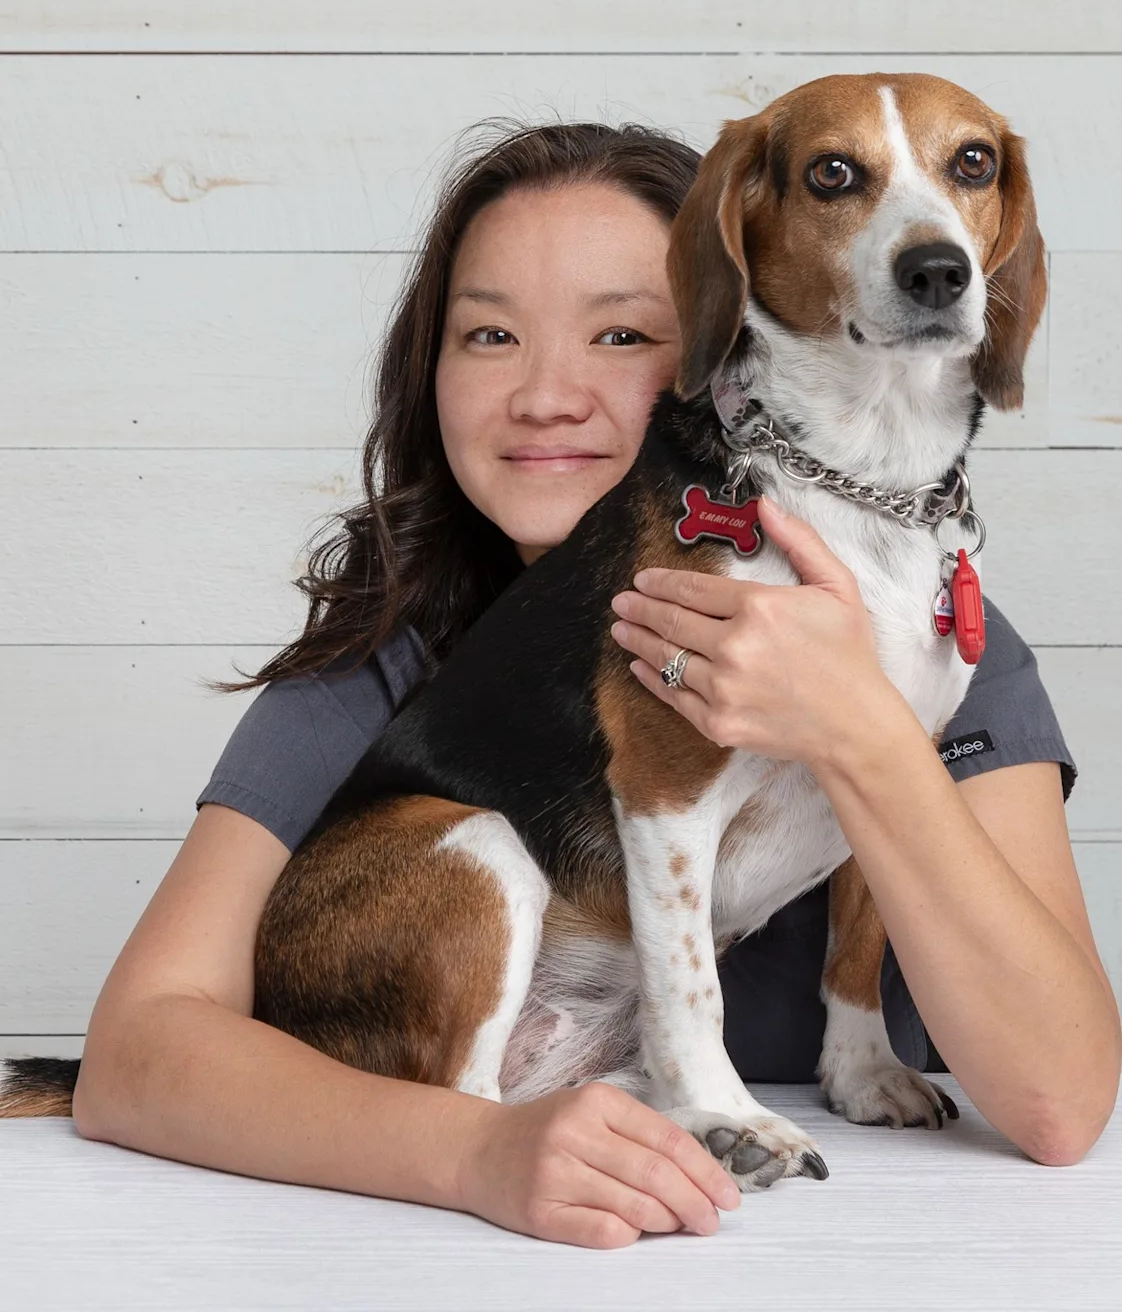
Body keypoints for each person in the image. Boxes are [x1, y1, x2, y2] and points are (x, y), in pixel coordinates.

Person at [65, 120, 1118, 1250]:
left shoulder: (954, 624)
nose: (547, 393)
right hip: (469, 1208)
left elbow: (1062, 1107)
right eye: (489, 334)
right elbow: (131, 1057)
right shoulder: (380, 654)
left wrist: (864, 726)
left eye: (622, 333)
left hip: (847, 1235)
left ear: (729, 328)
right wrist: (468, 1149)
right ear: (429, 369)